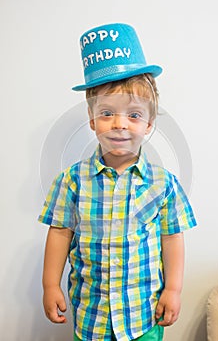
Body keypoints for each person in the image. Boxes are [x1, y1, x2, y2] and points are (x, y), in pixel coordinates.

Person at [38, 23, 197, 341]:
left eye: (134, 115)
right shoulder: (71, 182)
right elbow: (59, 233)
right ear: (92, 118)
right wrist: (50, 284)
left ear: (150, 122)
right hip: (91, 317)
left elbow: (171, 239)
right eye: (108, 113)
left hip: (144, 316)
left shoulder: (164, 185)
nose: (120, 124)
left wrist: (174, 289)